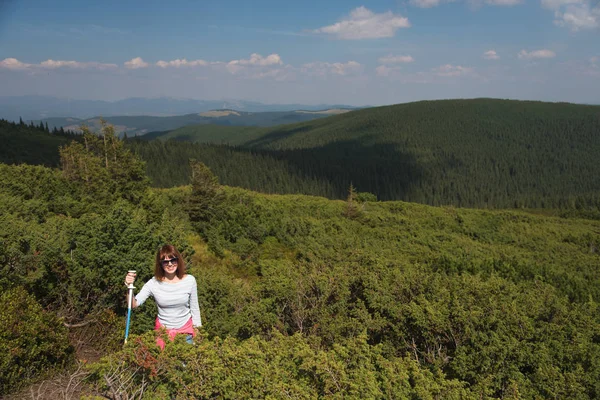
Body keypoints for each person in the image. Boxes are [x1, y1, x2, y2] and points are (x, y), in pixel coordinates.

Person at [124, 244, 202, 349]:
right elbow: (133, 304)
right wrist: (129, 287)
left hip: (186, 332)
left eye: (173, 260)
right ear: (160, 264)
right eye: (165, 262)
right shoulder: (153, 283)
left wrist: (198, 332)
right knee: (163, 365)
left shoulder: (190, 280)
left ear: (178, 261)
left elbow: (195, 309)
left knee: (184, 365)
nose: (170, 264)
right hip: (163, 334)